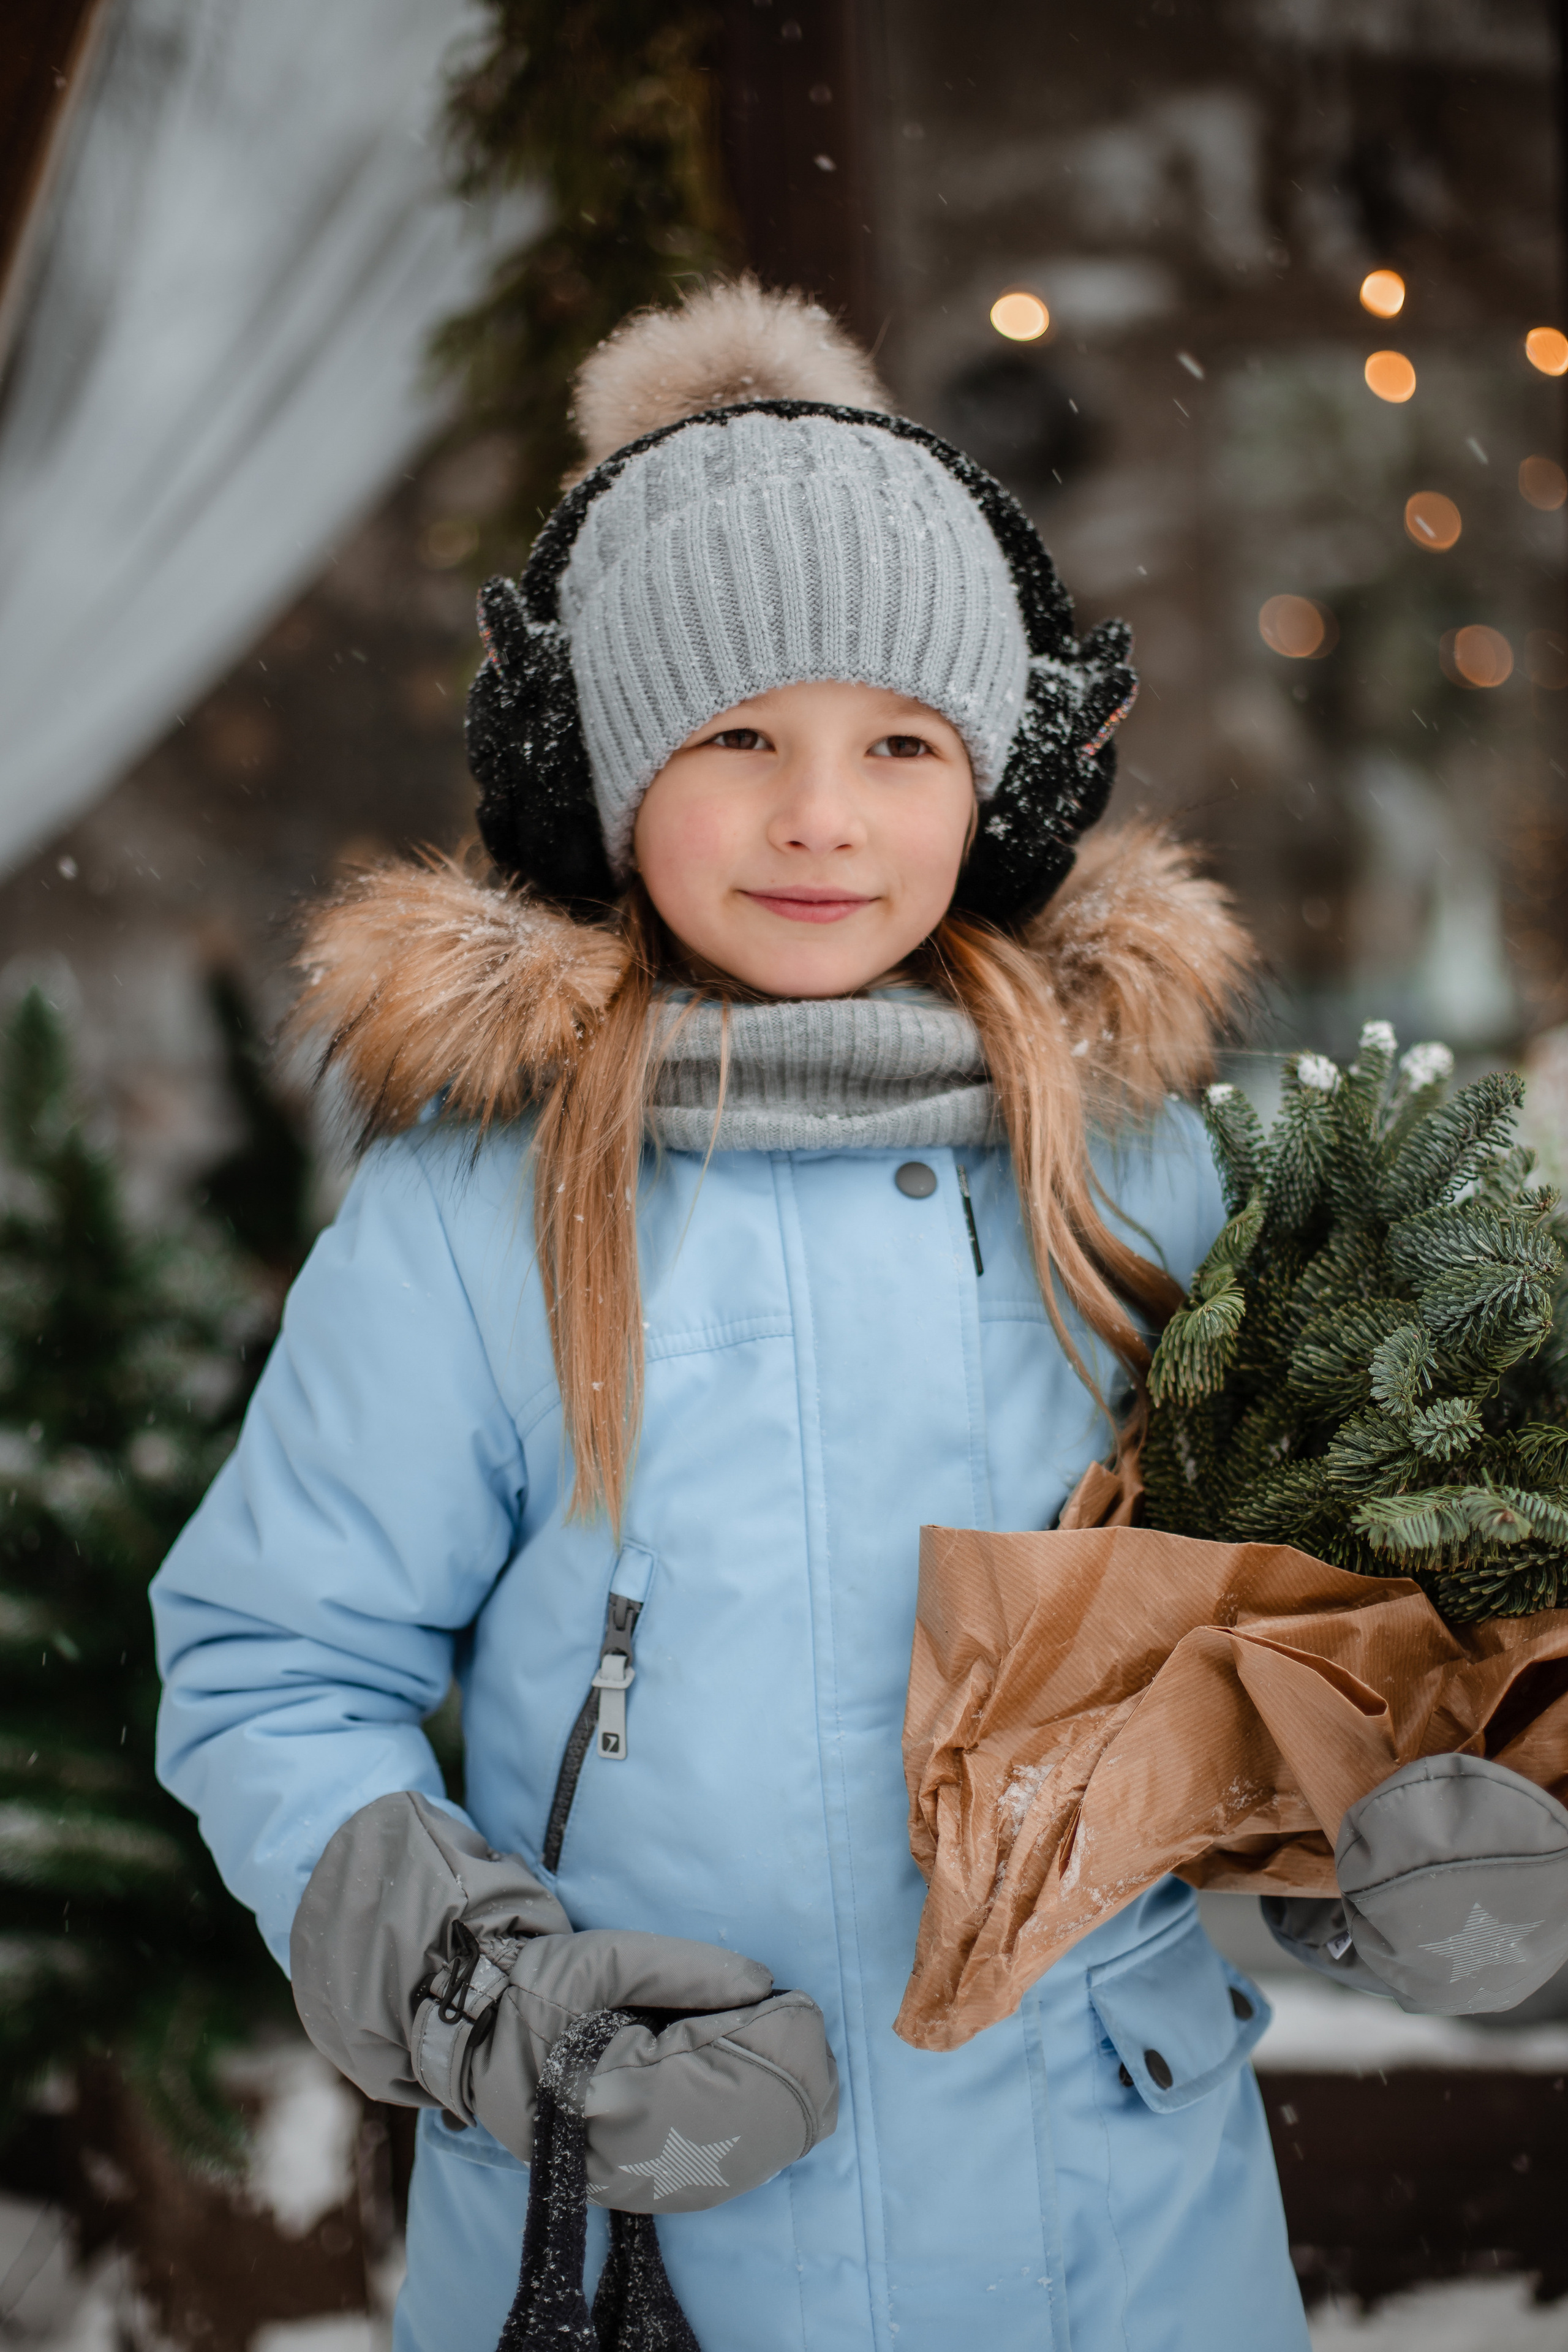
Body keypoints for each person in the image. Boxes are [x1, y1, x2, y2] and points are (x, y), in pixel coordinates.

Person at [151, 281, 1302, 2350]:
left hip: (1121, 2240)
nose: (822, 818)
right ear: (605, 771)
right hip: (661, 2236)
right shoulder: (473, 1215)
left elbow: (1295, 1642)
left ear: (1002, 784)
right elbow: (272, 1666)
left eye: (901, 743)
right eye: (737, 736)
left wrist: (1417, 1826)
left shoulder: (1135, 1177)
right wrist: (488, 1994)